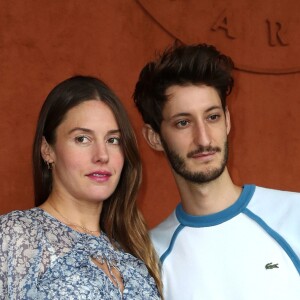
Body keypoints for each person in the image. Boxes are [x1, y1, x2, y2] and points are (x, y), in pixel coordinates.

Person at [133, 43, 300, 300]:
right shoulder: (151, 258)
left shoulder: (294, 216)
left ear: (228, 119)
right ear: (154, 137)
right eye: (183, 123)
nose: (203, 139)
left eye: (212, 117)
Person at [0, 75, 162, 299]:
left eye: (113, 140)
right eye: (82, 139)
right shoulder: (14, 236)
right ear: (47, 150)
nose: (102, 156)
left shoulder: (133, 254)